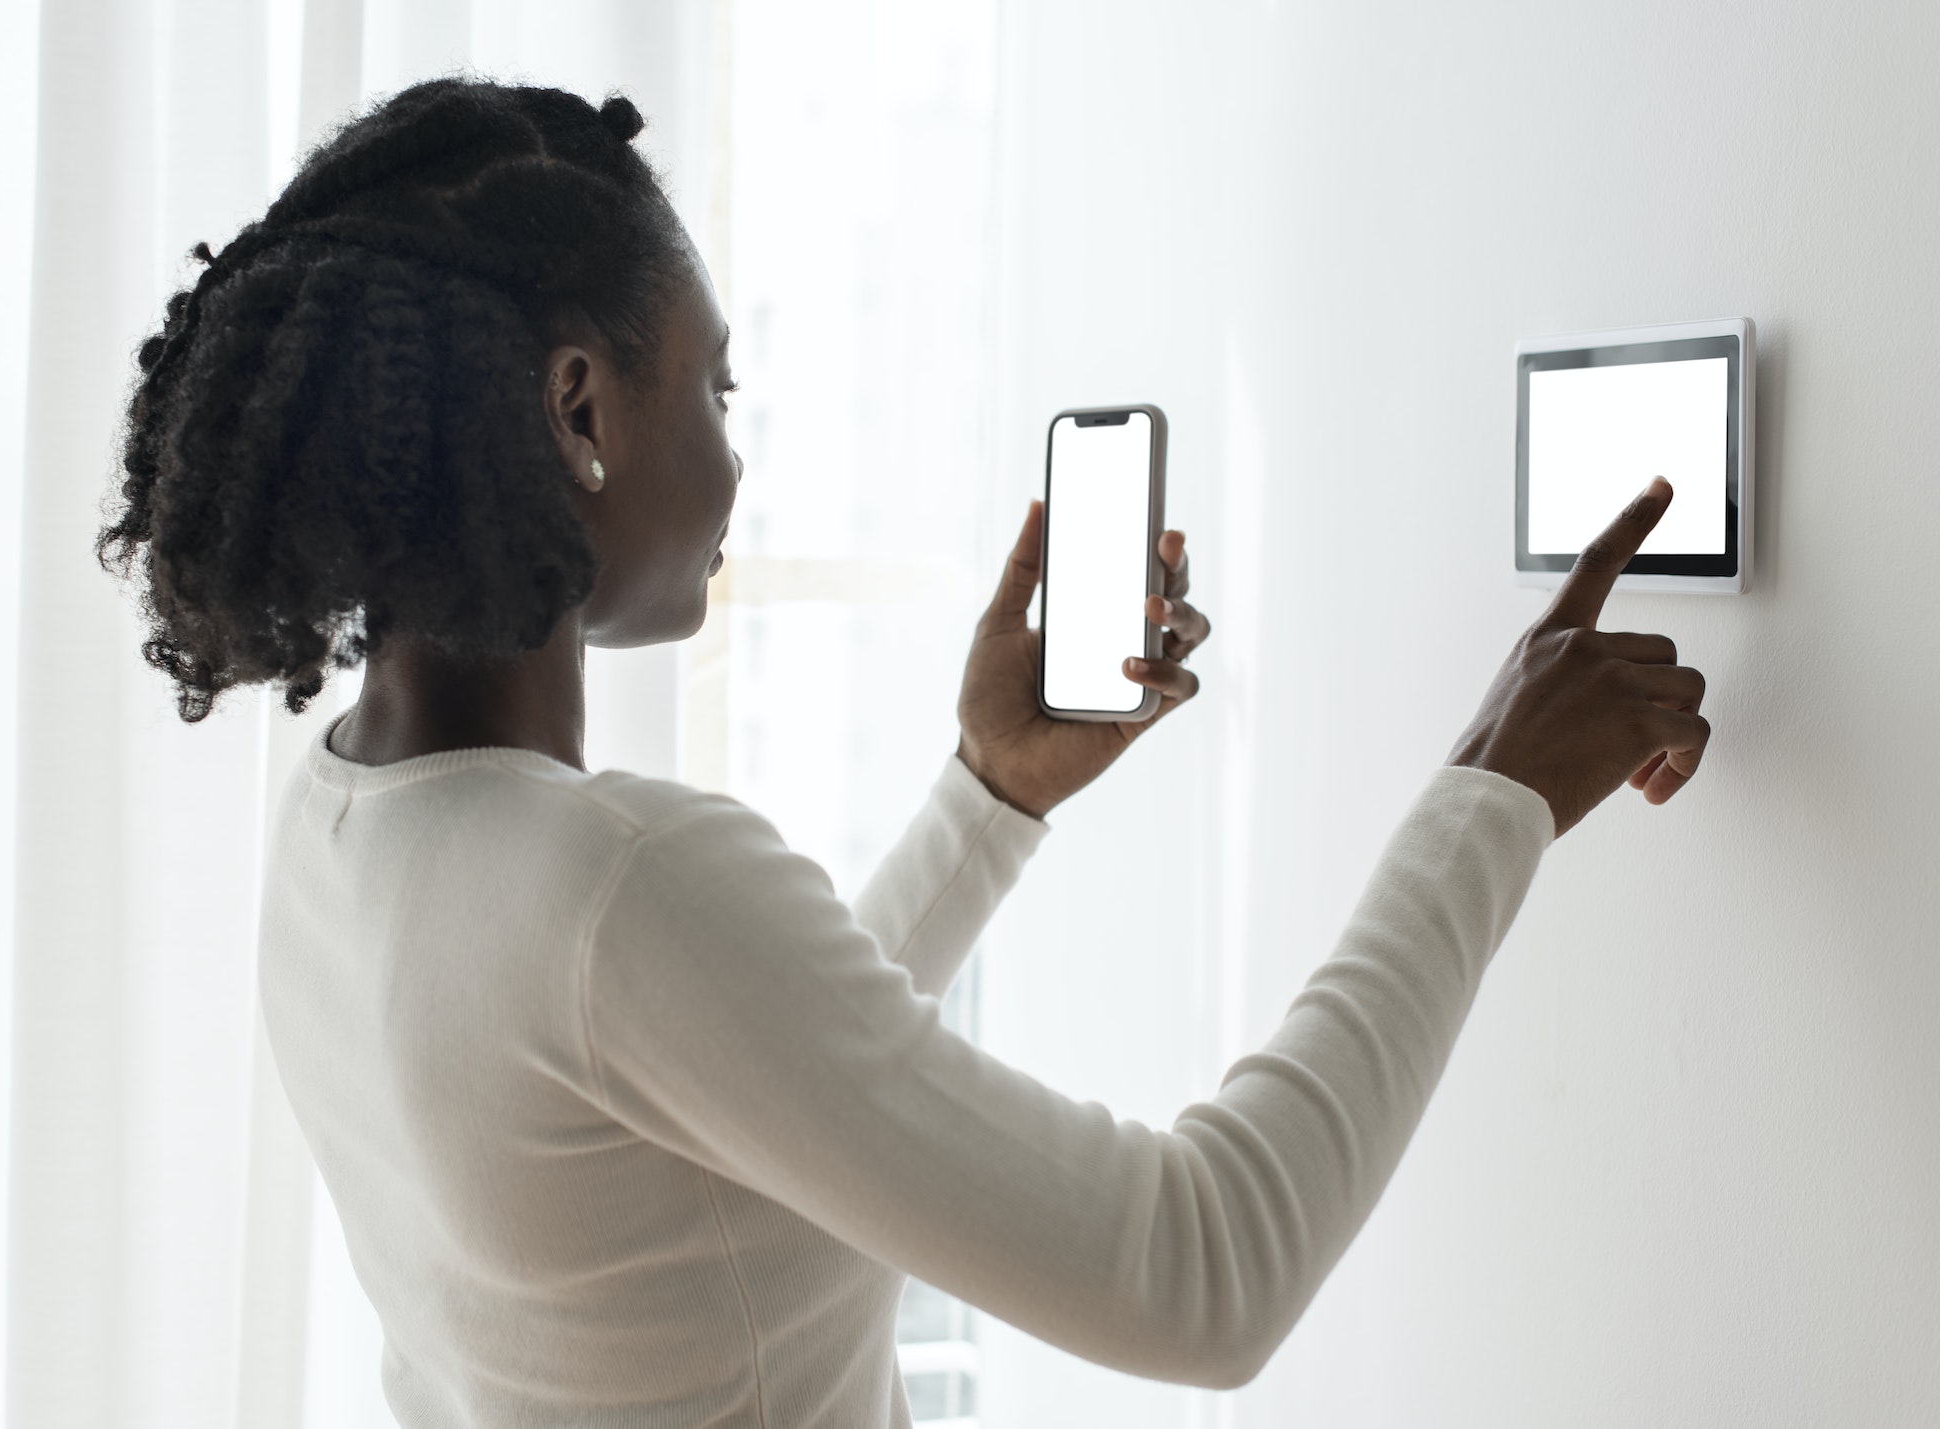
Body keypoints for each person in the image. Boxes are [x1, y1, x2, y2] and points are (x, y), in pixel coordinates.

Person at [100, 79, 1710, 1427]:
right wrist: (1492, 792)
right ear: (579, 405)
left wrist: (988, 793)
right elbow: (1206, 1273)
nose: (734, 459)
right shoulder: (618, 878)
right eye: (716, 385)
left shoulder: (335, 829)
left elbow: (718, 1098)